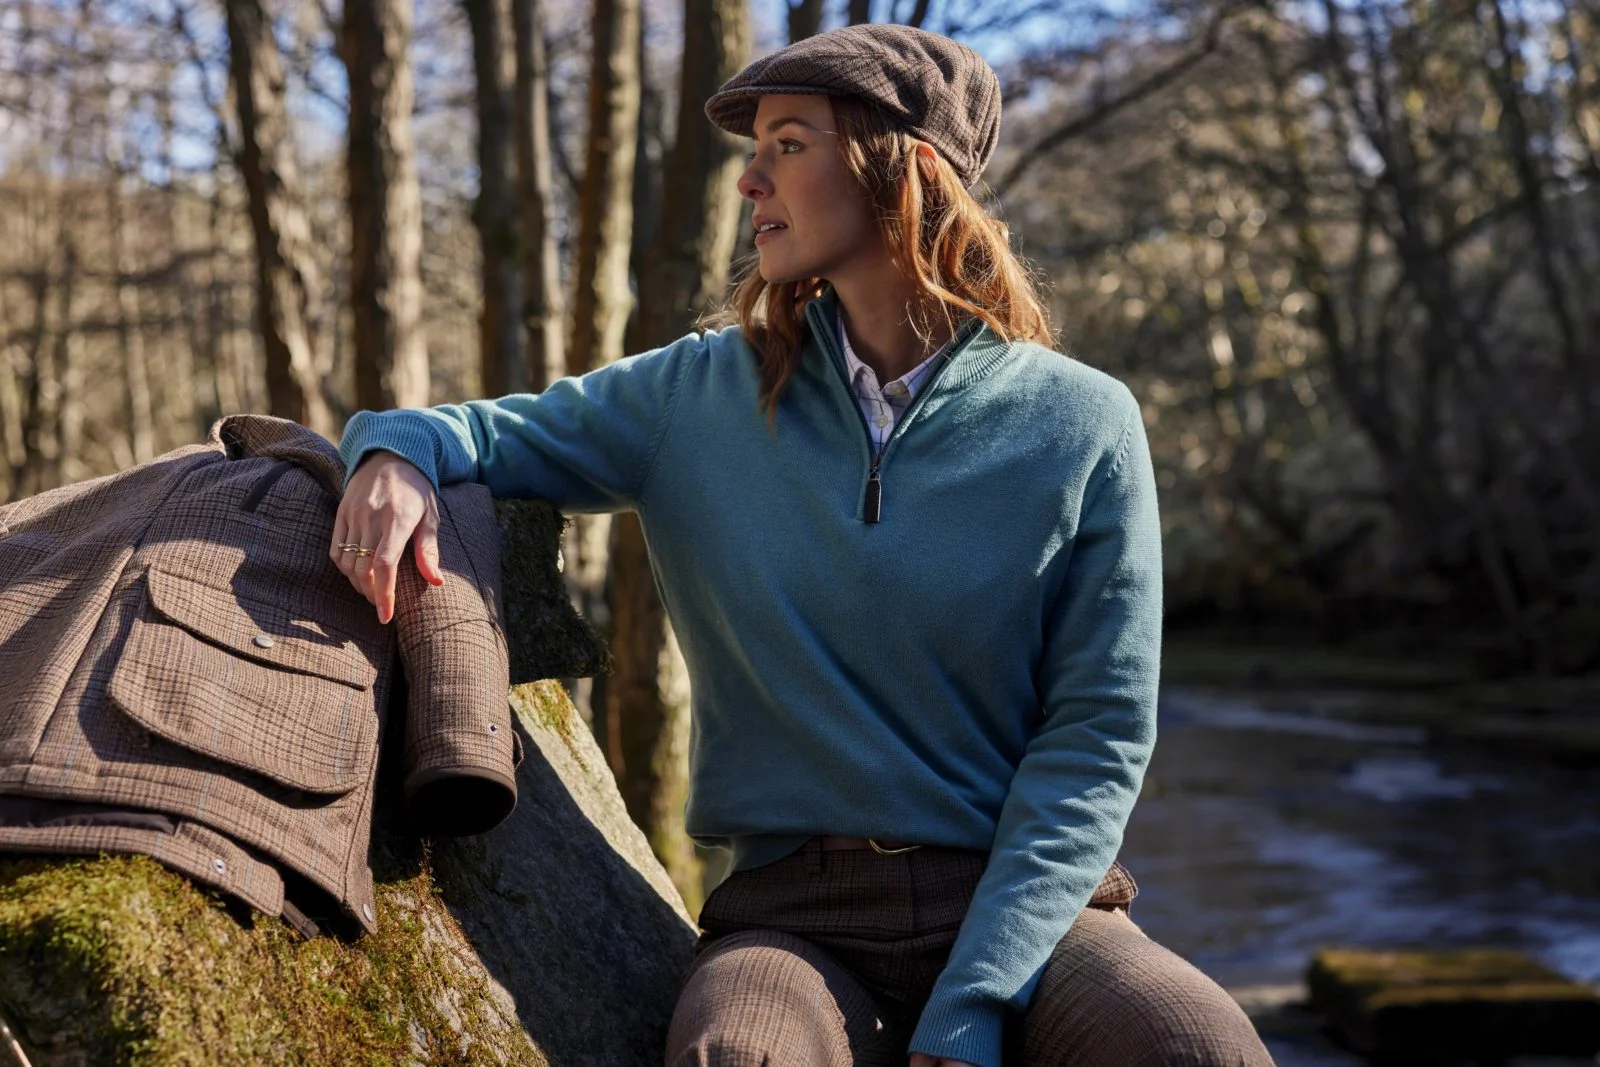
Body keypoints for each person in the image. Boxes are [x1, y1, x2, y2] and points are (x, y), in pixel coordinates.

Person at [331, 23, 1274, 1067]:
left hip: (1030, 908)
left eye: (787, 143)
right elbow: (472, 432)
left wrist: (976, 999)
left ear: (906, 170)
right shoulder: (692, 395)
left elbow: (1096, 734)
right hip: (795, 916)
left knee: (1200, 1045)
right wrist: (388, 456)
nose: (749, 181)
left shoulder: (1085, 423)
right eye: (754, 150)